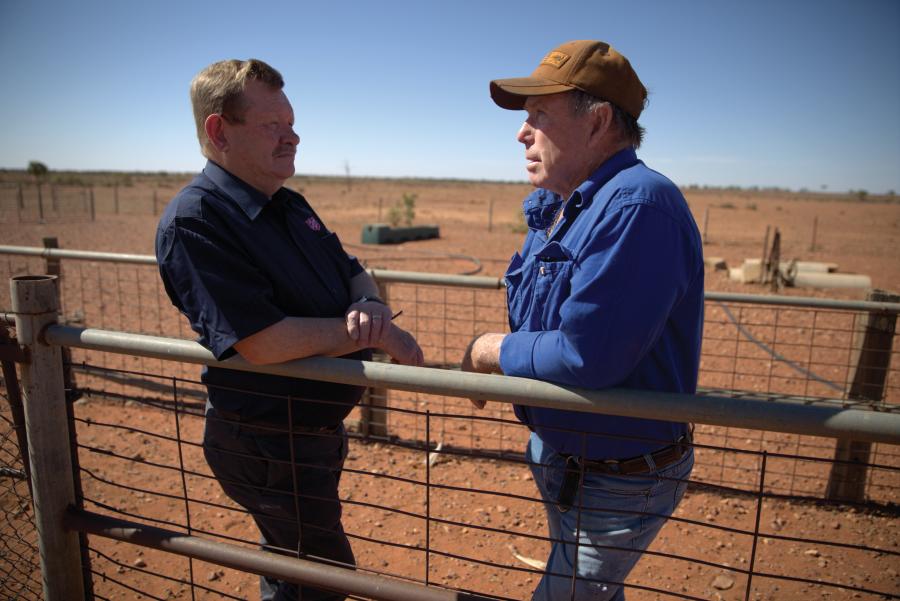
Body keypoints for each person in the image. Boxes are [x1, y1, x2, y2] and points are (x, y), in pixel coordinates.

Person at [156, 58, 423, 601]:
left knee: (294, 569)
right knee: (321, 577)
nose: (292, 136)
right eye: (271, 125)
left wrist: (369, 302)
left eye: (292, 122)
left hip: (309, 432)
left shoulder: (288, 203)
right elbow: (261, 341)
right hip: (265, 439)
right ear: (219, 131)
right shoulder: (197, 221)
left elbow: (351, 268)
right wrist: (373, 334)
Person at [462, 40, 703, 600]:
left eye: (539, 115)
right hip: (565, 456)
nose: (522, 132)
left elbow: (586, 355)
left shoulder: (638, 206)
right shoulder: (564, 206)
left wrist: (488, 349)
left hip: (621, 476)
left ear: (597, 123)